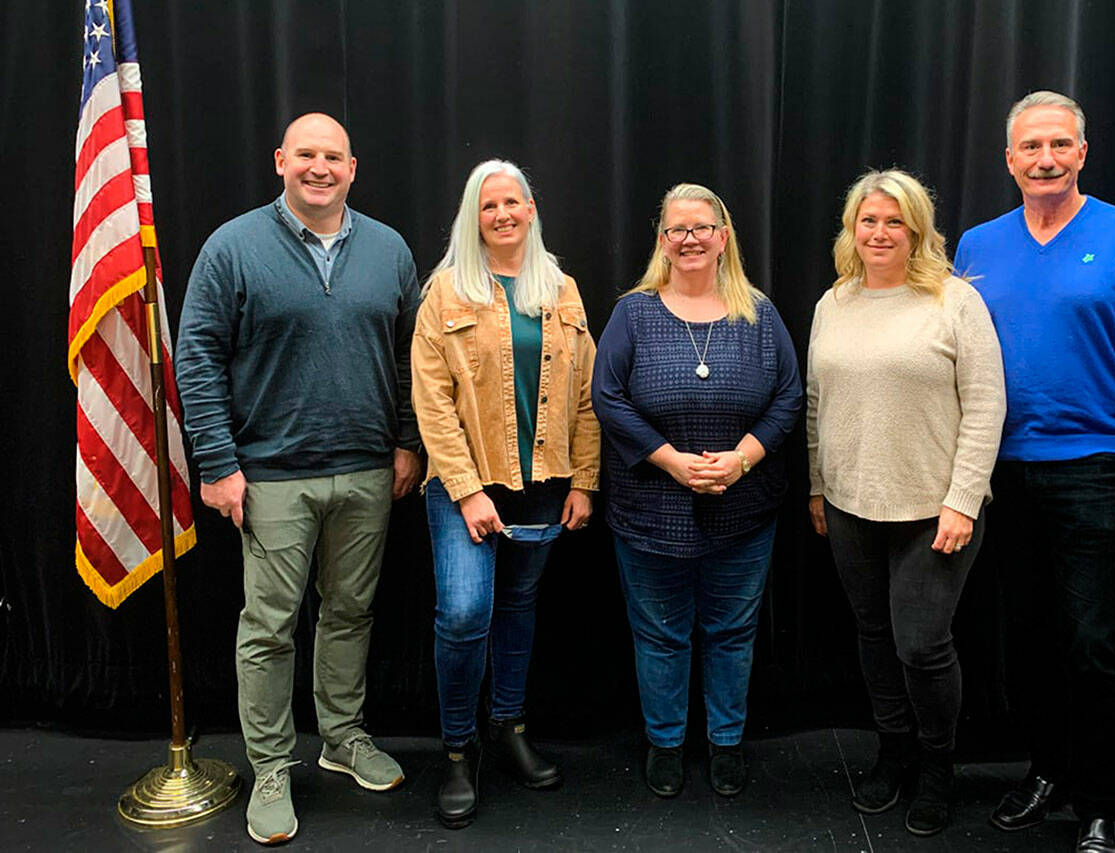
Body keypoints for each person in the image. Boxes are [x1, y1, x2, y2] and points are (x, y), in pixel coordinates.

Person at [954, 91, 1115, 853]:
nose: (1046, 159)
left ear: (1083, 152)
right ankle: (1047, 769)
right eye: (1030, 148)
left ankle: (1102, 804)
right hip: (1002, 473)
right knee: (1026, 640)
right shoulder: (977, 246)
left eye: (1060, 144)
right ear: (1009, 160)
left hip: (1099, 471)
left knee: (1096, 643)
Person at [174, 113, 422, 845]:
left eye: (334, 156)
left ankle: (342, 738)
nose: (320, 167)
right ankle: (272, 766)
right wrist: (217, 463)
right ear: (281, 160)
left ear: (354, 167)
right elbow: (197, 357)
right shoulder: (234, 246)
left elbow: (414, 353)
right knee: (269, 628)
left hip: (370, 469)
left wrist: (408, 442)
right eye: (306, 154)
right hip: (271, 474)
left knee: (350, 611)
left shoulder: (389, 248)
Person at [806, 169, 1006, 836]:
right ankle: (892, 750)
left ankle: (938, 763)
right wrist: (816, 485)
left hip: (935, 509)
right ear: (852, 229)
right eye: (870, 220)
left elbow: (985, 406)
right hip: (849, 504)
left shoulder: (954, 301)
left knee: (921, 643)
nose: (881, 231)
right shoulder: (834, 302)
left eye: (895, 221)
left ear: (917, 229)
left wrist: (964, 499)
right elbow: (816, 405)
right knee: (872, 633)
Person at [592, 183, 803, 799]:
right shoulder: (634, 312)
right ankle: (665, 743)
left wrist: (741, 459)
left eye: (700, 228)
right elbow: (608, 397)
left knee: (732, 633)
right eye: (676, 230)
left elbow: (789, 396)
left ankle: (726, 744)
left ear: (722, 237)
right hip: (651, 509)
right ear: (662, 241)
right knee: (660, 634)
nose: (689, 239)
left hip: (744, 506)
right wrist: (671, 462)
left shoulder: (759, 314)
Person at [411, 159, 599, 829]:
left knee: (519, 607)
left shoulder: (563, 290)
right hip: (466, 487)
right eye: (488, 205)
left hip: (543, 486)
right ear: (474, 216)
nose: (502, 214)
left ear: (531, 208)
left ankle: (508, 725)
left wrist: (584, 478)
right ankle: (458, 749)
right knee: (465, 613)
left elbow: (585, 395)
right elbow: (431, 403)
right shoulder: (447, 291)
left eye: (512, 202)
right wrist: (466, 491)